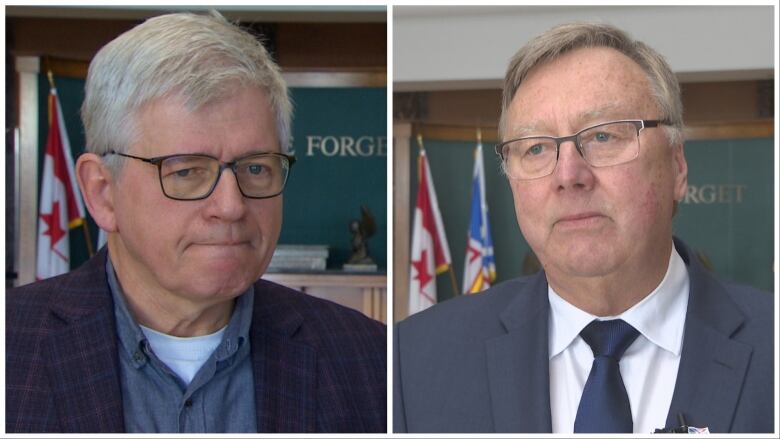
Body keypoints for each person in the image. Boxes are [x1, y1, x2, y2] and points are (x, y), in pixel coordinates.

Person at [6, 12, 386, 433]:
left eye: (256, 168)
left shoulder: (369, 360)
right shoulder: (13, 345)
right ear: (102, 191)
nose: (231, 205)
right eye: (186, 171)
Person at [394, 22, 773, 433]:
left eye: (605, 136)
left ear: (677, 166)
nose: (568, 174)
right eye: (536, 148)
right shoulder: (414, 359)